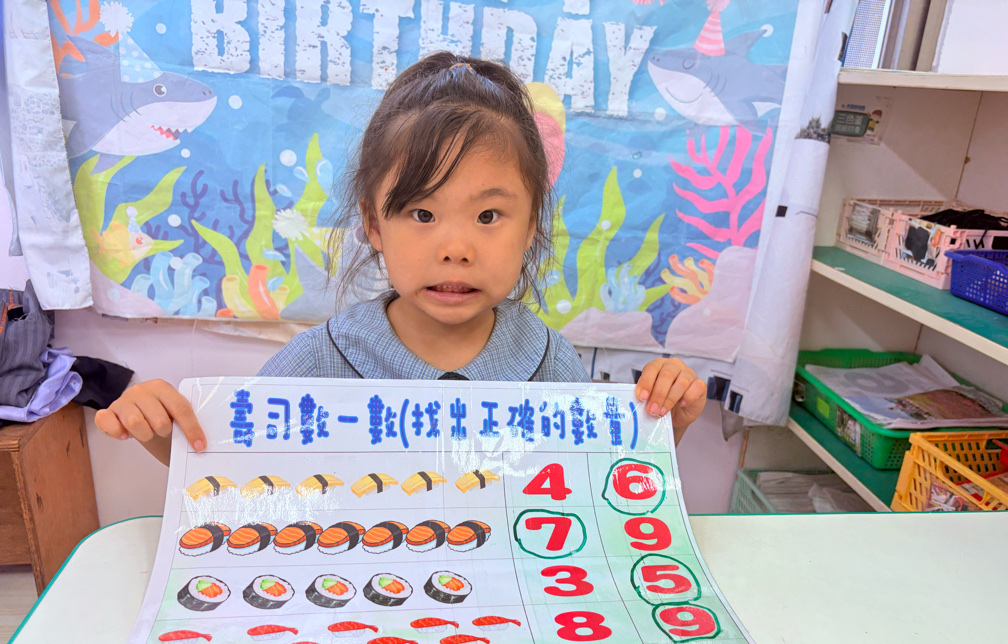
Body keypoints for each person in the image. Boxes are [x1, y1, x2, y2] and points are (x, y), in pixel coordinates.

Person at [95, 52, 707, 466]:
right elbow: (237, 469)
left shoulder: (550, 363)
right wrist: (162, 433)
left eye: (489, 217)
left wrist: (666, 424)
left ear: (530, 230)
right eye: (421, 213)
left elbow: (595, 488)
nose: (456, 248)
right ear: (373, 225)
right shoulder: (317, 363)